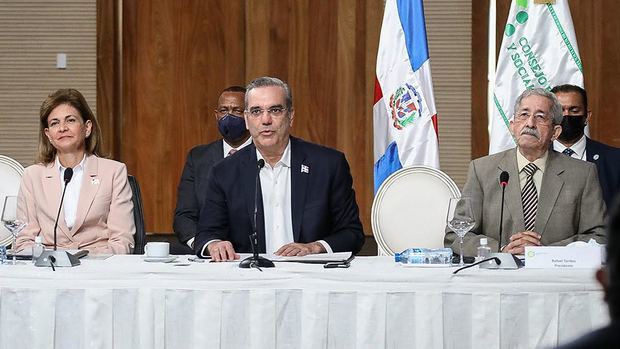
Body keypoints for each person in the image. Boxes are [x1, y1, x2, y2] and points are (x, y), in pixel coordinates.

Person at [195, 76, 365, 261]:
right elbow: (206, 234)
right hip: (249, 279)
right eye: (256, 111)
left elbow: (352, 233)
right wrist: (214, 244)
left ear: (290, 115)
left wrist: (315, 247)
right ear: (246, 119)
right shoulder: (224, 172)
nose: (266, 120)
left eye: (275, 110)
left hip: (311, 278)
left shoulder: (328, 165)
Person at [445, 88, 606, 256]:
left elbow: (599, 237)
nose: (530, 123)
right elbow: (455, 235)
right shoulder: (482, 170)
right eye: (523, 115)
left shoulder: (583, 174)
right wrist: (501, 250)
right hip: (497, 276)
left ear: (555, 132)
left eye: (540, 116)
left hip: (555, 277)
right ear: (513, 126)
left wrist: (545, 253)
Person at [15, 88, 135, 254]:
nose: (62, 128)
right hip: (48, 269)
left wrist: (83, 261)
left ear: (87, 128)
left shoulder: (114, 172)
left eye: (70, 120)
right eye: (54, 123)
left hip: (98, 267)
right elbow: (24, 240)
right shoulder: (32, 176)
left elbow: (122, 241)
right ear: (48, 135)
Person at [173, 86, 251, 253]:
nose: (228, 116)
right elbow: (184, 216)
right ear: (216, 115)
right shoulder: (198, 157)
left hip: (254, 254)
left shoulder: (264, 154)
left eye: (236, 110)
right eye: (224, 110)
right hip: (210, 256)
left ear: (249, 115)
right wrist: (205, 245)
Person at [555, 198, 620, 348]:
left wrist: (543, 249)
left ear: (602, 281)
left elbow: (598, 233)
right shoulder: (490, 175)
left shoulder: (582, 174)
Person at [551, 84, 620, 209]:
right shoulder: (535, 157)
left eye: (574, 110)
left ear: (587, 116)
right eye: (560, 110)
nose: (566, 115)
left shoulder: (615, 160)